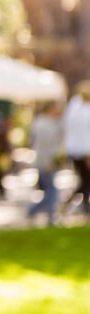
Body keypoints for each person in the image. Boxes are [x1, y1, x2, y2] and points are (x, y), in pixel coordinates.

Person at [27, 101, 64, 226]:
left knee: (50, 190)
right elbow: (43, 147)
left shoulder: (49, 123)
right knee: (52, 191)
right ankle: (47, 215)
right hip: (45, 162)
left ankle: (36, 211)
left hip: (49, 161)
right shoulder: (44, 125)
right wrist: (47, 162)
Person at [63, 80, 90, 216]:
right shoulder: (84, 110)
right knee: (86, 179)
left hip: (73, 149)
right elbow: (85, 133)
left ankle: (83, 205)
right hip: (84, 150)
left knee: (84, 179)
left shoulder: (74, 105)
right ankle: (78, 204)